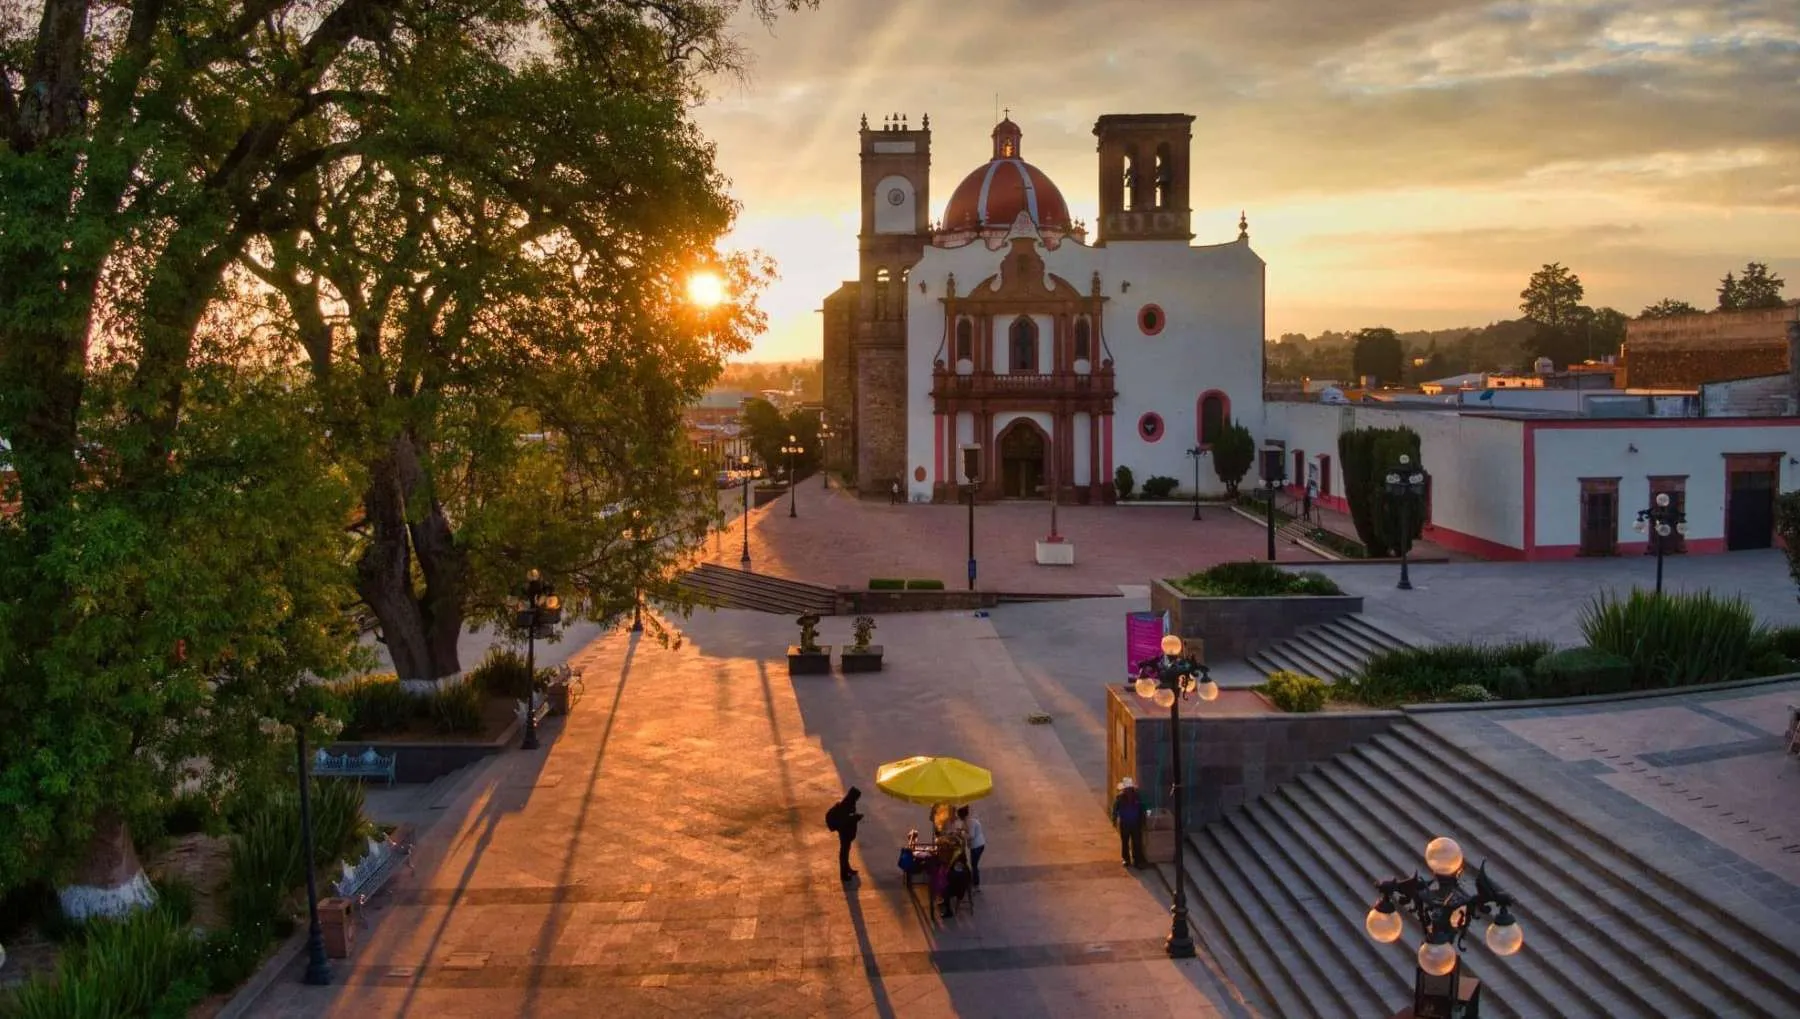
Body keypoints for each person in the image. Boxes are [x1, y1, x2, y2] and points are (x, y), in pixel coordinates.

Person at [826, 787, 864, 880]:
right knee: (844, 853)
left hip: (846, 832)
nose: (858, 799)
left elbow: (848, 817)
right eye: (857, 797)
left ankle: (847, 869)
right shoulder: (846, 805)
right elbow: (846, 819)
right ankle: (844, 875)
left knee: (845, 852)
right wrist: (857, 817)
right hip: (845, 833)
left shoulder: (849, 802)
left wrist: (855, 817)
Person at [1112, 777, 1146, 869]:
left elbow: (1141, 809)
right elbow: (1115, 809)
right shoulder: (1120, 798)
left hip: (1135, 823)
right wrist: (1114, 820)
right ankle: (1126, 859)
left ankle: (1137, 860)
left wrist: (1143, 821)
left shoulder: (1137, 797)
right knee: (1125, 842)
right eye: (1127, 789)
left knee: (1136, 842)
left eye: (1130, 789)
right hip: (1125, 824)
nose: (1128, 791)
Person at [957, 805, 986, 890]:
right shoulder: (967, 821)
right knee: (973, 863)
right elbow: (963, 828)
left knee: (974, 864)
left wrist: (962, 834)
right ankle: (974, 880)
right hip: (975, 845)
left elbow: (971, 836)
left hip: (977, 845)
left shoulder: (970, 822)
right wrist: (960, 831)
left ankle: (976, 883)